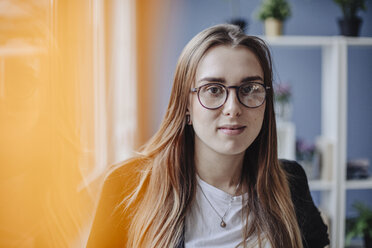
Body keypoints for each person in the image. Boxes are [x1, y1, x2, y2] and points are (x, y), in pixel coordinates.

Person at [87, 24, 329, 248]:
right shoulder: (127, 187)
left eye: (249, 89)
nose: (233, 108)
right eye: (213, 90)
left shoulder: (290, 183)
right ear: (186, 105)